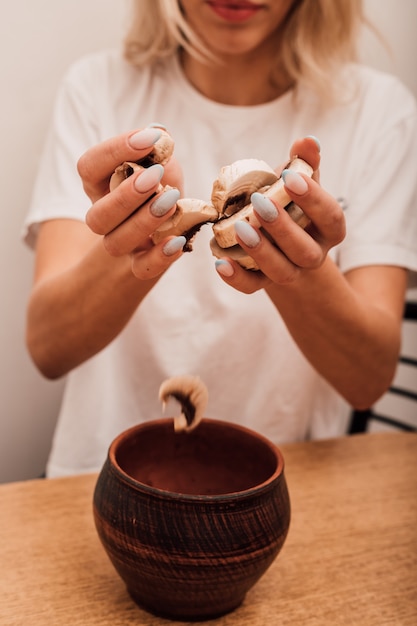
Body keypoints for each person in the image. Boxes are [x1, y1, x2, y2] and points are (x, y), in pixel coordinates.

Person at [23, 0, 417, 478]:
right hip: (101, 481)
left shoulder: (379, 112)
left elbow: (368, 380)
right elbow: (49, 347)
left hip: (290, 493)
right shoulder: (98, 87)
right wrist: (138, 236)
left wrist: (296, 266)